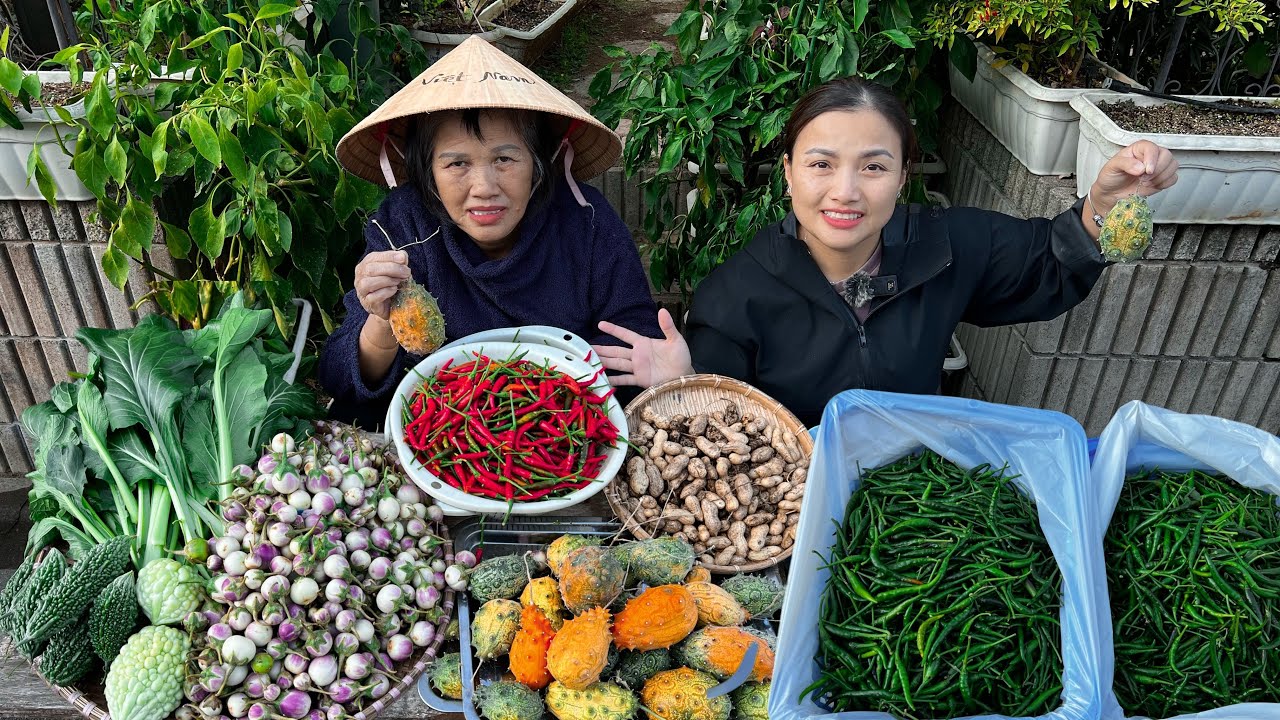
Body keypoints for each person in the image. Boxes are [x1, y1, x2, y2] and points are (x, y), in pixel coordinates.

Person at [592, 77, 1178, 428]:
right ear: (789, 175)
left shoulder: (946, 247)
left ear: (901, 178)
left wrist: (1103, 208)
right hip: (793, 510)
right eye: (821, 164)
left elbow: (1048, 261)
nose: (845, 192)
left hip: (911, 496)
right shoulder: (736, 294)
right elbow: (718, 435)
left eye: (873, 166)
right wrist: (684, 381)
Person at [320, 37, 661, 429]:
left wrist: (665, 373)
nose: (483, 186)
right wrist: (381, 321)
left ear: (539, 161)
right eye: (456, 164)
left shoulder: (586, 222)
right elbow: (338, 377)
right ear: (427, 171)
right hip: (443, 439)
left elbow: (636, 346)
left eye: (504, 158)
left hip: (558, 432)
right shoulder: (403, 228)